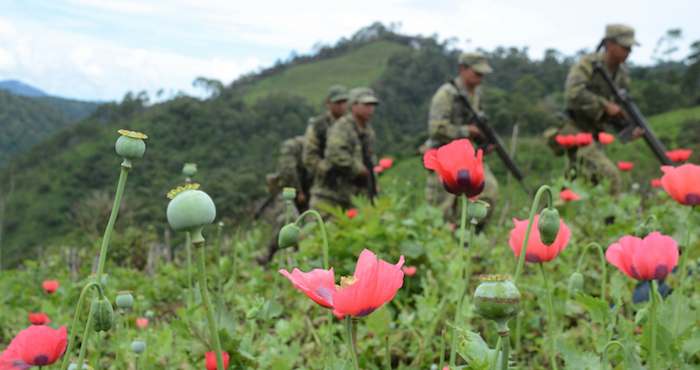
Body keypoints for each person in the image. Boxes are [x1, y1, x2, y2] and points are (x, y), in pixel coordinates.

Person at [563, 24, 643, 193]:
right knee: (609, 177)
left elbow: (617, 111)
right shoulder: (588, 64)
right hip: (576, 130)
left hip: (596, 135)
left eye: (630, 48)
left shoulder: (622, 75)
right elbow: (573, 93)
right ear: (609, 44)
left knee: (580, 184)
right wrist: (604, 105)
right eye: (624, 47)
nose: (628, 51)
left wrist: (628, 129)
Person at [425, 51, 499, 223]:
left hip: (468, 157)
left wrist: (483, 143)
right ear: (462, 69)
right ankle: (447, 241)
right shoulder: (446, 94)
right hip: (444, 157)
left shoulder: (476, 94)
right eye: (477, 73)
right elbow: (435, 129)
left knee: (489, 192)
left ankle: (468, 235)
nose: (480, 78)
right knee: (442, 208)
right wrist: (466, 131)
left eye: (483, 75)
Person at [309, 87, 378, 211]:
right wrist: (359, 169)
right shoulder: (342, 127)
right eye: (366, 105)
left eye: (372, 105)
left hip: (354, 195)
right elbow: (335, 154)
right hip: (331, 196)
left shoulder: (368, 131)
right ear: (354, 105)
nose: (370, 109)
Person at [257, 135, 310, 264]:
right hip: (288, 191)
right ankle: (266, 256)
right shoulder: (295, 146)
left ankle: (300, 260)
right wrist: (298, 191)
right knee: (288, 220)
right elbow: (288, 170)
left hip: (307, 194)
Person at [303, 85, 349, 178]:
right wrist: (326, 170)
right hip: (324, 178)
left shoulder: (351, 124)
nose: (342, 106)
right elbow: (310, 157)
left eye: (344, 102)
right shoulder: (319, 126)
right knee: (289, 191)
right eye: (338, 102)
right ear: (328, 104)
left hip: (348, 176)